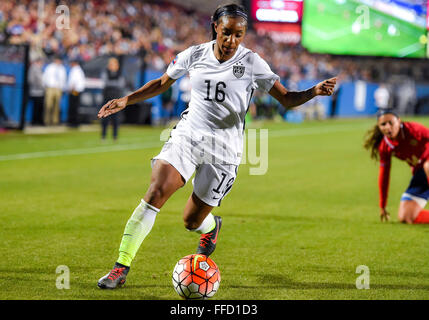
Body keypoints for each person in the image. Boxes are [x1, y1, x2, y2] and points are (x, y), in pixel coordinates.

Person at [96, 4, 337, 289]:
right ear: (215, 27)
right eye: (226, 33)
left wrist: (313, 92)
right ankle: (120, 267)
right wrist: (127, 99)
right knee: (156, 191)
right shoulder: (195, 54)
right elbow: (162, 82)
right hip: (188, 136)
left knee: (191, 220)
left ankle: (211, 226)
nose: (231, 41)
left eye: (238, 35)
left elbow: (286, 99)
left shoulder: (252, 63)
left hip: (224, 150)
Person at [364, 109, 429, 224]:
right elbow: (384, 176)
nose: (388, 127)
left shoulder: (414, 129)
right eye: (383, 124)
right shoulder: (385, 146)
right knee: (406, 217)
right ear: (379, 126)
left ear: (399, 121)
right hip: (421, 172)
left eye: (391, 123)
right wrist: (382, 205)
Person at [100, 57, 126, 140]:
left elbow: (121, 84)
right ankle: (103, 135)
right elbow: (105, 82)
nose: (112, 66)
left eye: (114, 64)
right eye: (111, 64)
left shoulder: (120, 74)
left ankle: (115, 136)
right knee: (105, 117)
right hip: (107, 98)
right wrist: (113, 84)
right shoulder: (105, 73)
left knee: (116, 118)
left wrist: (111, 84)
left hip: (116, 99)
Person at [42, 56, 67, 126]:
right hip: (50, 87)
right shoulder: (50, 67)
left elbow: (63, 79)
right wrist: (46, 87)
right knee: (48, 105)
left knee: (56, 106)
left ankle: (55, 121)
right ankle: (46, 120)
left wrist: (62, 88)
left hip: (58, 88)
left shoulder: (62, 69)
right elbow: (45, 77)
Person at [67, 60, 86, 127]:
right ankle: (75, 121)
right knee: (76, 106)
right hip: (78, 91)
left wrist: (70, 89)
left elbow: (73, 81)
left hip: (74, 91)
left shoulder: (75, 70)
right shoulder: (79, 70)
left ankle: (73, 122)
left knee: (73, 106)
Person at [28, 58, 45, 125]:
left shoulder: (40, 68)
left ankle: (39, 121)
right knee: (36, 107)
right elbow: (31, 80)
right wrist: (38, 85)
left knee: (40, 107)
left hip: (41, 91)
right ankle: (34, 121)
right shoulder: (33, 68)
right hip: (35, 91)